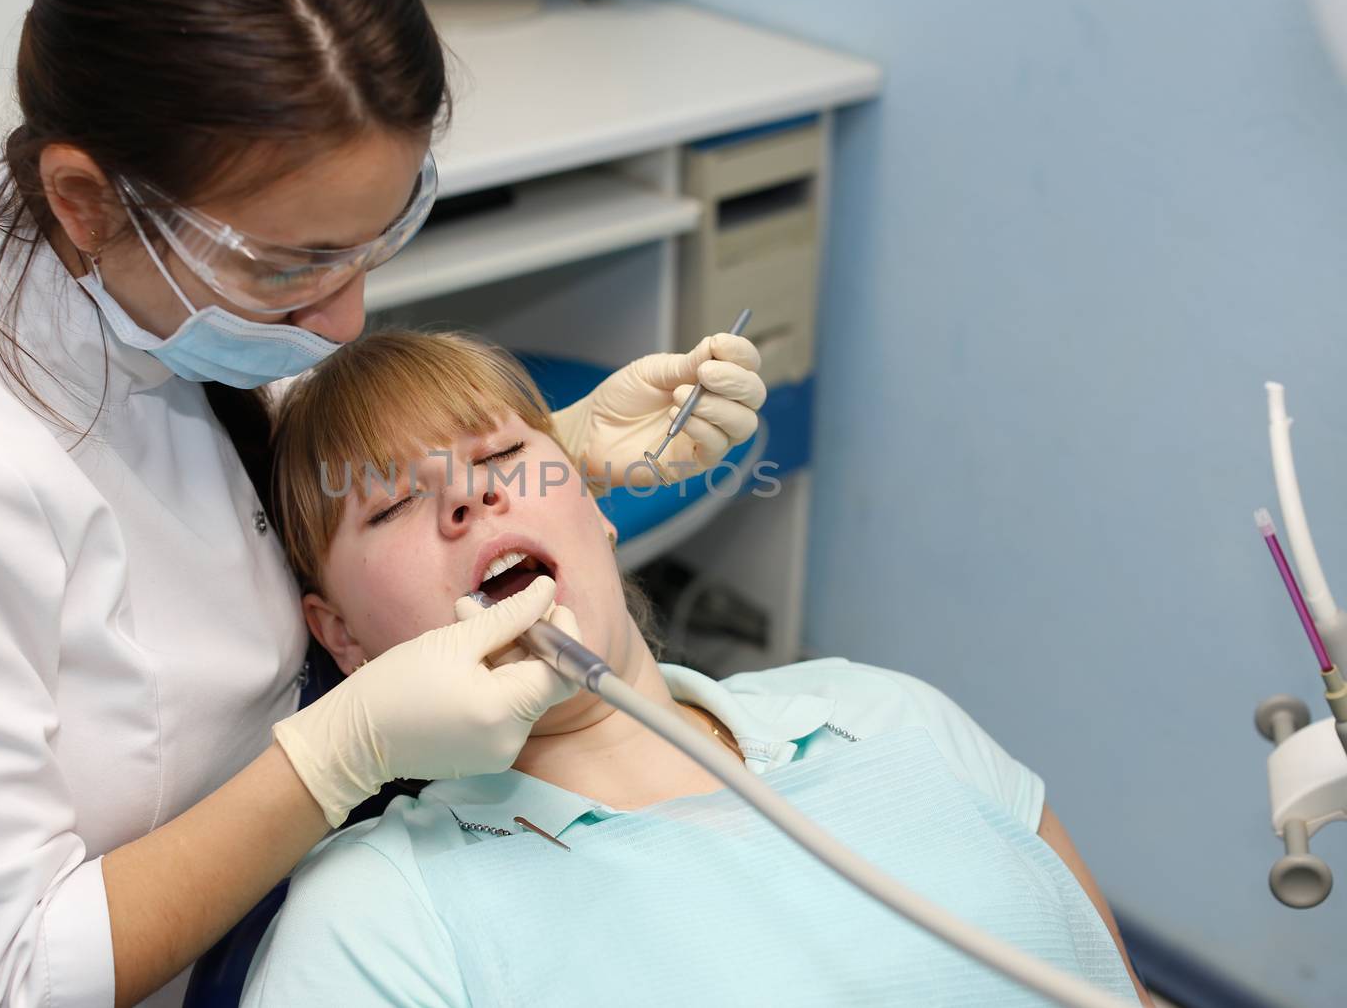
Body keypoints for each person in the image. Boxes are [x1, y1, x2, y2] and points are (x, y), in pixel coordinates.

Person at [0, 0, 764, 1006]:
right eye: (287, 268)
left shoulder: (179, 302)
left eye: (375, 241)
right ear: (85, 199)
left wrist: (544, 451)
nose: (344, 320)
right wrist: (340, 752)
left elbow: (274, 499)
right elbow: (7, 979)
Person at [242, 330, 1154, 1007]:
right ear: (343, 639)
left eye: (505, 456)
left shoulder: (884, 712)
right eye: (397, 500)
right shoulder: (378, 916)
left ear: (594, 507)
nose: (470, 496)